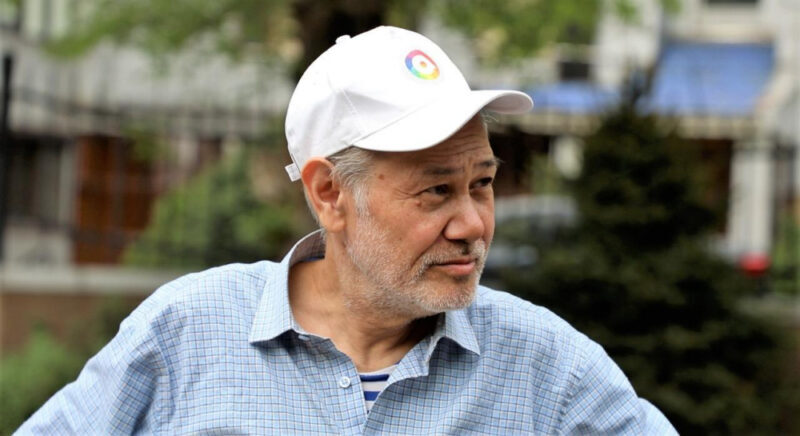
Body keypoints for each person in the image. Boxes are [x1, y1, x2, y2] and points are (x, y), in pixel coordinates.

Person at [17, 26, 677, 435]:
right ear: (329, 193)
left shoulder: (547, 366)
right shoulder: (186, 333)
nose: (474, 223)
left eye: (482, 182)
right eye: (437, 191)